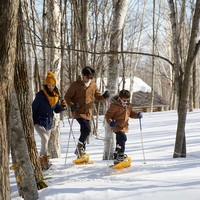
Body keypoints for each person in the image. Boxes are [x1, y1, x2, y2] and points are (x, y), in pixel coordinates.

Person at [64, 66, 109, 159]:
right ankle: (79, 148)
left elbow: (98, 96)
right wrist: (72, 105)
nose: (89, 79)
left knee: (84, 131)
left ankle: (81, 154)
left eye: (91, 77)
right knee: (87, 129)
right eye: (87, 77)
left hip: (88, 112)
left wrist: (104, 96)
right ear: (83, 75)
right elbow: (67, 97)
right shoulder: (76, 85)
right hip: (78, 111)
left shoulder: (93, 85)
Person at [32, 71, 67, 169]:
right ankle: (42, 161)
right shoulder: (40, 96)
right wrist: (32, 121)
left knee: (45, 143)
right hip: (38, 121)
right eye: (49, 85)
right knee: (45, 139)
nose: (50, 87)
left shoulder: (56, 96)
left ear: (55, 85)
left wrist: (62, 106)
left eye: (52, 85)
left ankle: (44, 163)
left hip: (48, 122)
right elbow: (33, 108)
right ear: (46, 84)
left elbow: (56, 110)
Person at [105, 89, 143, 165]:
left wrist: (137, 115)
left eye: (127, 100)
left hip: (124, 126)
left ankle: (116, 155)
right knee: (123, 138)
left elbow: (130, 113)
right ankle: (121, 154)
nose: (126, 102)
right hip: (116, 125)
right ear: (119, 98)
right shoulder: (114, 105)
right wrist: (110, 122)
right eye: (124, 100)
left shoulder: (129, 105)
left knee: (120, 140)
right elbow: (108, 115)